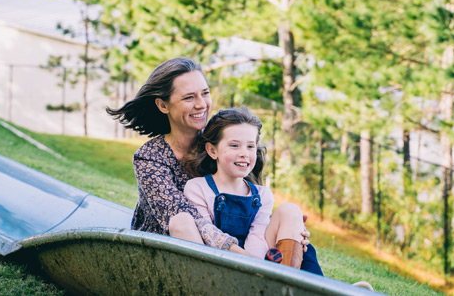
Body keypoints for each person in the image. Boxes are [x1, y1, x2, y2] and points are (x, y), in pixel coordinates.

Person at [105, 57, 310, 255]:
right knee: (183, 220)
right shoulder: (150, 159)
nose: (202, 104)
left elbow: (249, 208)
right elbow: (191, 220)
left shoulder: (222, 146)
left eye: (205, 93)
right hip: (165, 250)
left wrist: (286, 229)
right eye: (189, 97)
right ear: (163, 105)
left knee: (292, 221)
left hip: (238, 248)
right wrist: (247, 262)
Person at [183, 107, 323, 274]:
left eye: (250, 146)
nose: (244, 153)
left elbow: (258, 235)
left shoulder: (262, 194)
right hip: (220, 264)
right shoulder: (198, 188)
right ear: (213, 150)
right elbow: (206, 236)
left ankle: (296, 283)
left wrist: (255, 266)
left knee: (291, 212)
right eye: (234, 145)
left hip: (257, 262)